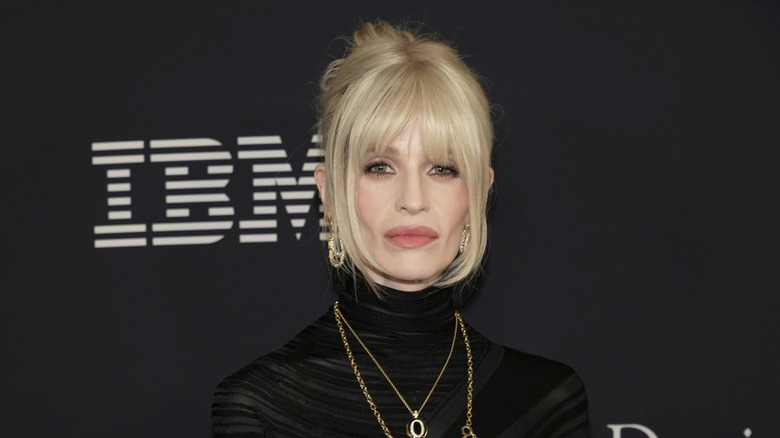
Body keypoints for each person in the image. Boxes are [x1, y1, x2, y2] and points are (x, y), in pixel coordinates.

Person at [212, 21, 589, 437]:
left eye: (442, 169)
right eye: (380, 167)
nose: (413, 198)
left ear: (479, 193)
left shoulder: (545, 401)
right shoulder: (261, 404)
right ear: (331, 194)